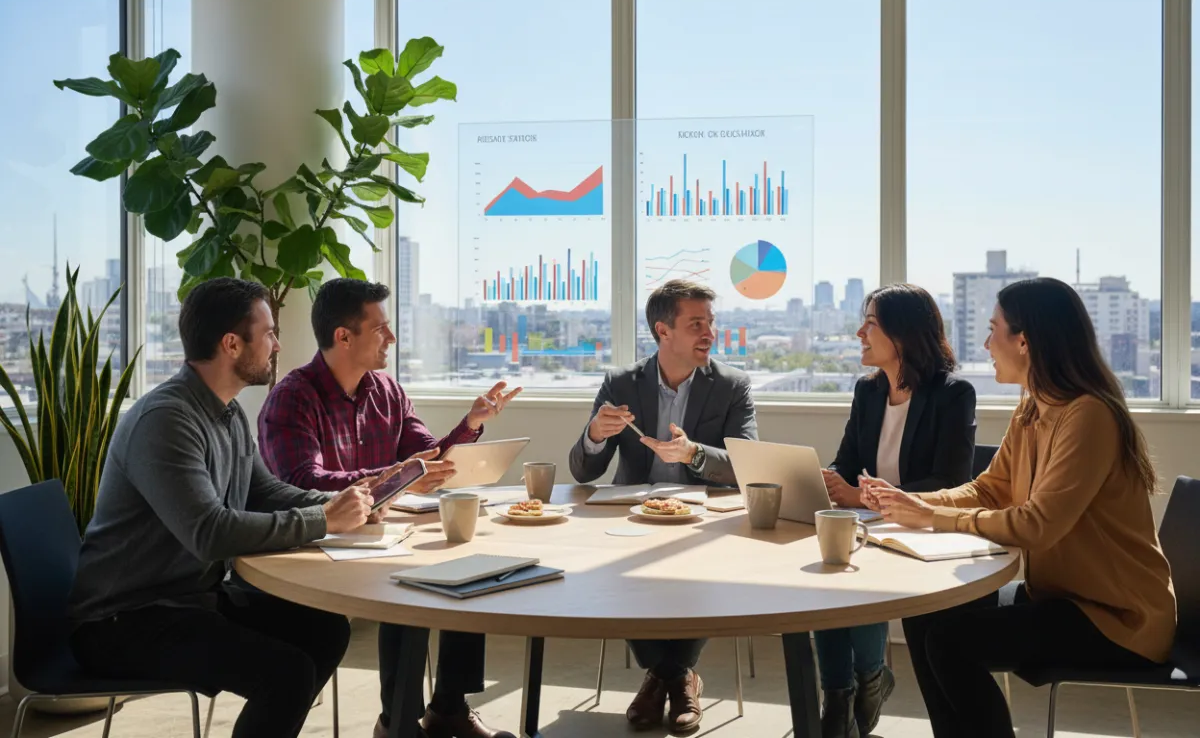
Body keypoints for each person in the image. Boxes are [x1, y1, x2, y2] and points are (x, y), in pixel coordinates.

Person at [861, 278, 1177, 738]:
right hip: (1061, 596)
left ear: (1024, 341)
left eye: (994, 330)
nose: (986, 343)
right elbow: (989, 490)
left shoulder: (1088, 415)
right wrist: (911, 502)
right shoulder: (1033, 407)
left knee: (952, 643)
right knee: (928, 615)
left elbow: (1037, 526)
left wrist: (932, 517)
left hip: (1117, 617)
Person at [68, 278, 380, 738]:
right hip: (125, 620)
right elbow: (210, 533)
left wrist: (337, 503)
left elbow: (263, 491)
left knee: (325, 630)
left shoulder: (228, 412)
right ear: (232, 344)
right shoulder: (167, 421)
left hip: (190, 600)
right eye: (269, 333)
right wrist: (321, 520)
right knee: (286, 672)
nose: (278, 345)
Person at [259, 278, 521, 738]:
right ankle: (397, 723)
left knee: (463, 560)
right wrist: (394, 476)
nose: (392, 339)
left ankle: (448, 709)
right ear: (344, 336)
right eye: (381, 328)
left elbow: (426, 459)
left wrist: (471, 424)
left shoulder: (386, 390)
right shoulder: (292, 397)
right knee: (408, 591)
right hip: (315, 543)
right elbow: (302, 482)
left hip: (376, 536)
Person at [569, 279, 758, 734]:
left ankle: (661, 678)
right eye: (697, 323)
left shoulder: (732, 385)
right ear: (663, 330)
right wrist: (596, 433)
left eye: (710, 322)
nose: (709, 332)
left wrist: (694, 454)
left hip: (704, 524)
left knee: (699, 563)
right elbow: (581, 472)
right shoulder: (620, 383)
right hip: (635, 520)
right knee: (625, 564)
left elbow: (746, 463)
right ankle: (680, 678)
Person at [816, 283, 976, 738]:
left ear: (903, 334)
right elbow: (846, 462)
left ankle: (861, 684)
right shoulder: (868, 392)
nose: (859, 332)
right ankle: (839, 696)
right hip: (867, 525)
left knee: (849, 569)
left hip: (923, 531)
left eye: (871, 322)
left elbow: (951, 482)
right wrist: (828, 480)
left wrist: (864, 497)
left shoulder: (953, 394)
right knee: (826, 572)